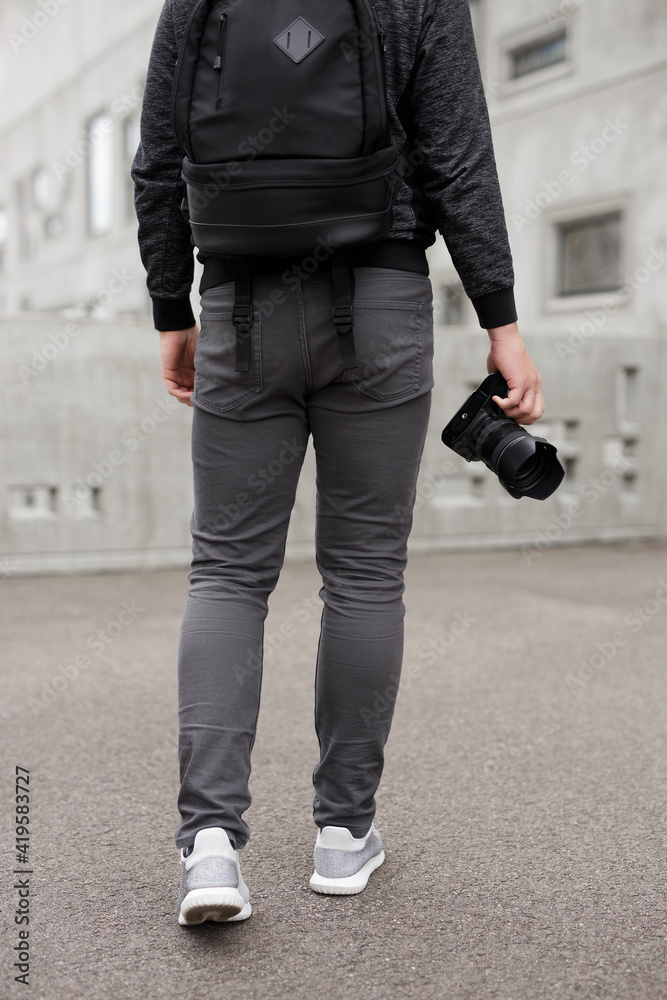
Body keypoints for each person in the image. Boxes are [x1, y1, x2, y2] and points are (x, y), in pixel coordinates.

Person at [132, 0, 545, 926]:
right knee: (363, 574)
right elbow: (458, 159)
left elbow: (157, 159)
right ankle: (342, 833)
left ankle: (210, 845)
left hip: (240, 300)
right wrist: (501, 321)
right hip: (382, 297)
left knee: (227, 572)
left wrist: (170, 308)